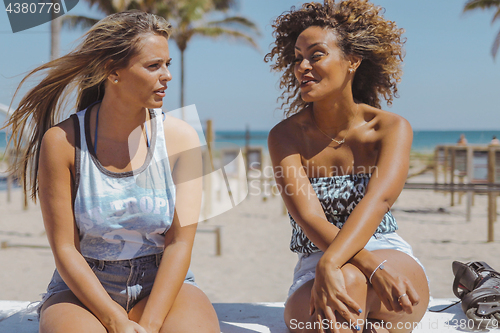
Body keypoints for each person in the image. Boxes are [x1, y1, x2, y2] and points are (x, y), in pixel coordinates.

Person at [4, 11, 219, 333]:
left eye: (167, 64)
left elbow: (179, 244)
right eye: (153, 66)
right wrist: (115, 320)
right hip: (82, 288)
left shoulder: (181, 138)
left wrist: (149, 323)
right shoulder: (62, 142)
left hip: (161, 282)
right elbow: (65, 248)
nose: (167, 76)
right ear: (112, 71)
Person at [265, 1, 429, 332]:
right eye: (297, 58)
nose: (303, 66)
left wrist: (352, 262)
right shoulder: (285, 136)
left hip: (387, 252)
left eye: (315, 55)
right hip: (317, 264)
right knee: (349, 281)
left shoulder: (390, 128)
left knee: (347, 282)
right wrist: (341, 263)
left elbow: (378, 201)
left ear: (352, 60)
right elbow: (309, 217)